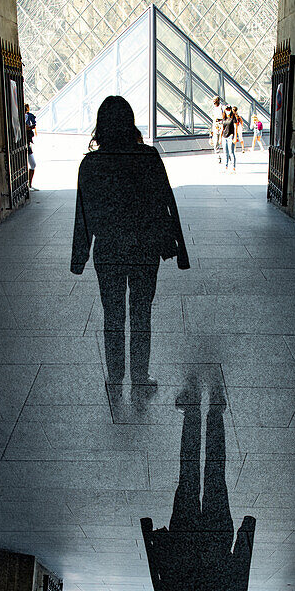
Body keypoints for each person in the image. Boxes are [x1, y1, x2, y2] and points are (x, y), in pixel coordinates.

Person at [141, 373, 256, 591]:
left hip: (218, 536)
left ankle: (215, 409)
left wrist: (245, 535)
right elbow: (160, 580)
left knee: (216, 473)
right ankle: (192, 408)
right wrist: (153, 540)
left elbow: (240, 573)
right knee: (188, 472)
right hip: (184, 536)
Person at [71, 96, 190, 389]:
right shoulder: (148, 158)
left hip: (108, 247)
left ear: (101, 126)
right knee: (141, 313)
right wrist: (177, 248)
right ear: (130, 123)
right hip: (143, 246)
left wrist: (79, 258)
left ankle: (115, 376)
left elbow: (83, 215)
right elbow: (166, 202)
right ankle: (139, 375)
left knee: (112, 314)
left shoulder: (91, 163)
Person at [25, 102, 37, 188]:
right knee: (32, 164)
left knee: (33, 164)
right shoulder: (25, 118)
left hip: (27, 144)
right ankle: (28, 185)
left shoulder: (27, 117)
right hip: (24, 144)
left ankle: (29, 184)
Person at [221, 107, 236, 172]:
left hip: (230, 136)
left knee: (231, 152)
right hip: (224, 137)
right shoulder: (224, 119)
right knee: (225, 153)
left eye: (229, 109)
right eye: (226, 109)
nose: (228, 111)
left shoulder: (233, 118)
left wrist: (235, 137)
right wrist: (220, 138)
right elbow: (222, 128)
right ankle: (226, 167)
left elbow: (235, 128)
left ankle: (233, 167)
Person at [211, 96, 224, 163]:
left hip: (221, 124)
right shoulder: (213, 108)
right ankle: (218, 156)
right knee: (216, 142)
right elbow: (213, 119)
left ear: (218, 100)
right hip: (215, 126)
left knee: (224, 141)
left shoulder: (222, 107)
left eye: (215, 100)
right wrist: (211, 131)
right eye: (213, 100)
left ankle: (228, 155)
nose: (214, 101)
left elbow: (225, 117)